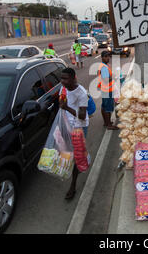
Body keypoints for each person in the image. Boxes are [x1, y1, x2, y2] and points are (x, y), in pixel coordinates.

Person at [58, 68, 89, 200]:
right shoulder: (63, 88)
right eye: (61, 78)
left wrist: (66, 108)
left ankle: (73, 185)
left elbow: (82, 116)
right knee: (65, 151)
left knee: (77, 155)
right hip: (67, 123)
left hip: (79, 127)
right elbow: (63, 102)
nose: (62, 81)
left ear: (73, 78)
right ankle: (84, 156)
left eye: (65, 78)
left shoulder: (81, 93)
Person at [98, 51, 119, 130]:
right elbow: (106, 80)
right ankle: (109, 125)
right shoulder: (104, 67)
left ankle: (106, 122)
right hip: (108, 90)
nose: (108, 58)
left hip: (105, 89)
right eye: (106, 56)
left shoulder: (104, 65)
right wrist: (114, 76)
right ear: (102, 57)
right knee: (108, 108)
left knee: (104, 106)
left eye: (108, 56)